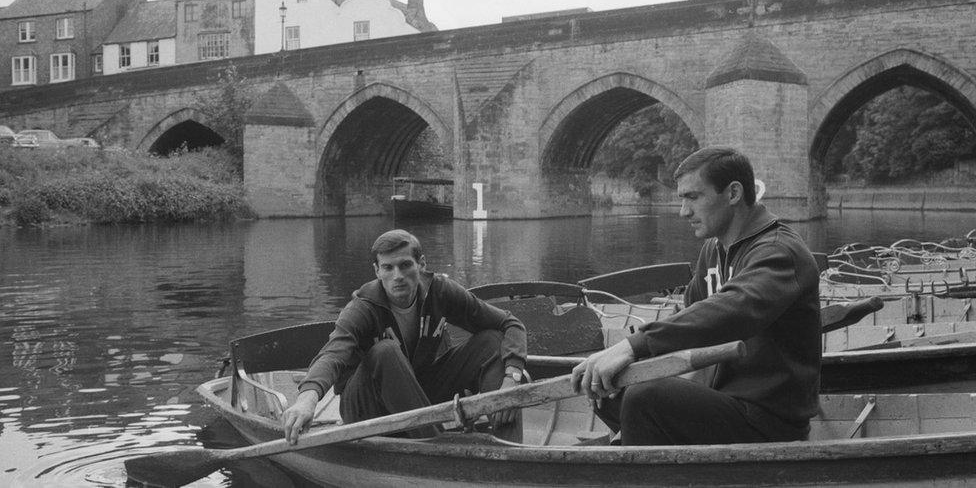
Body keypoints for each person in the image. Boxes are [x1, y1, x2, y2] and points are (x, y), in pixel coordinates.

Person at [571, 147, 821, 445]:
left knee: (645, 397)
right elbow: (688, 319)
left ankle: (640, 465)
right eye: (682, 199)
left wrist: (633, 346)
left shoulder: (780, 251)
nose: (683, 211)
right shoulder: (713, 251)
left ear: (733, 194)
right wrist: (615, 360)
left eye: (693, 197)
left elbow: (731, 310)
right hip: (721, 403)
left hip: (767, 420)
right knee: (607, 389)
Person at [282, 229, 527, 443]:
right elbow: (333, 353)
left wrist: (511, 382)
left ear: (421, 264)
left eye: (405, 265)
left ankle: (509, 450)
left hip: (416, 391)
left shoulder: (440, 292)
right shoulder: (362, 308)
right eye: (388, 267)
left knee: (491, 341)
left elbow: (509, 323)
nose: (397, 275)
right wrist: (308, 398)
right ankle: (435, 446)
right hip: (366, 406)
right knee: (385, 351)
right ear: (377, 271)